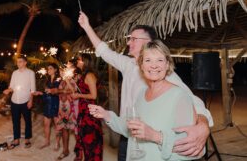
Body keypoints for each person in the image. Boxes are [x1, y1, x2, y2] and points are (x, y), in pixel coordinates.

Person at [78, 11, 213, 160]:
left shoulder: (164, 74)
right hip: (127, 134)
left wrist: (203, 125)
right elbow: (104, 51)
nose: (128, 42)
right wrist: (86, 26)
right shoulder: (128, 64)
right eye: (129, 39)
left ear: (148, 42)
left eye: (133, 39)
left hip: (153, 144)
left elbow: (192, 101)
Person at [89, 40, 204, 160]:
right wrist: (107, 115)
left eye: (160, 60)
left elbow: (190, 147)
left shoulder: (179, 96)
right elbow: (130, 129)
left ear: (167, 64)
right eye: (148, 60)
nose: (154, 65)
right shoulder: (141, 95)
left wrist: (154, 136)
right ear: (141, 66)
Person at [71, 54, 103, 161]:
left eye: (79, 60)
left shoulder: (89, 75)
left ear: (85, 61)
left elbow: (93, 95)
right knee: (85, 144)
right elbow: (78, 91)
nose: (77, 61)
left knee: (91, 143)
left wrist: (79, 95)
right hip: (84, 112)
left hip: (90, 114)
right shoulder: (83, 75)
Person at [3, 56, 36, 149]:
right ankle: (16, 139)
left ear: (25, 62)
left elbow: (33, 89)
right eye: (17, 62)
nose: (18, 64)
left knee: (27, 121)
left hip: (25, 101)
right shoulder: (14, 73)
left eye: (20, 62)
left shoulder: (30, 73)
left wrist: (31, 101)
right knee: (15, 121)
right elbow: (12, 86)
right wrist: (8, 90)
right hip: (14, 101)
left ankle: (27, 139)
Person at [34, 63, 62, 150]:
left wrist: (53, 91)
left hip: (56, 104)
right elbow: (46, 94)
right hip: (47, 104)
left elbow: (61, 92)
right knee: (46, 124)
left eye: (50, 68)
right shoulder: (47, 80)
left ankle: (57, 143)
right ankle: (47, 142)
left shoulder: (59, 80)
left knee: (57, 125)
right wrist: (40, 93)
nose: (48, 70)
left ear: (55, 70)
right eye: (48, 69)